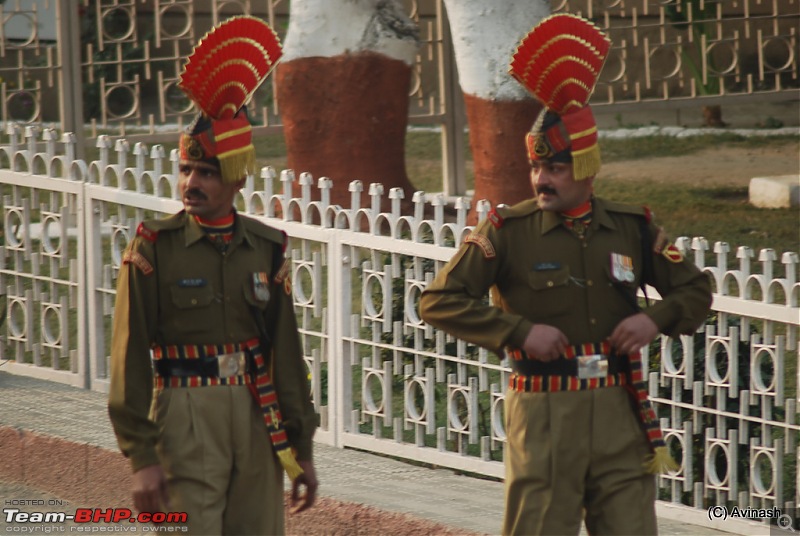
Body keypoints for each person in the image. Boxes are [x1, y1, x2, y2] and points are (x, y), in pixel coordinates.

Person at [419, 14, 712, 536]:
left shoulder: (632, 228)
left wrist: (656, 319)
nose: (541, 179)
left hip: (620, 413)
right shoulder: (508, 230)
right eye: (537, 168)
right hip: (545, 413)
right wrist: (518, 332)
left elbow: (695, 289)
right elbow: (438, 301)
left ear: (588, 166)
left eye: (554, 168)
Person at [107, 17, 318, 535]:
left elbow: (284, 353)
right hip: (185, 412)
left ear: (238, 175)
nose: (191, 183)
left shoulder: (266, 249)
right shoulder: (154, 248)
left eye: (206, 172)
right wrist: (141, 457)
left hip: (255, 413)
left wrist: (302, 448)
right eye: (185, 170)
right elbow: (129, 357)